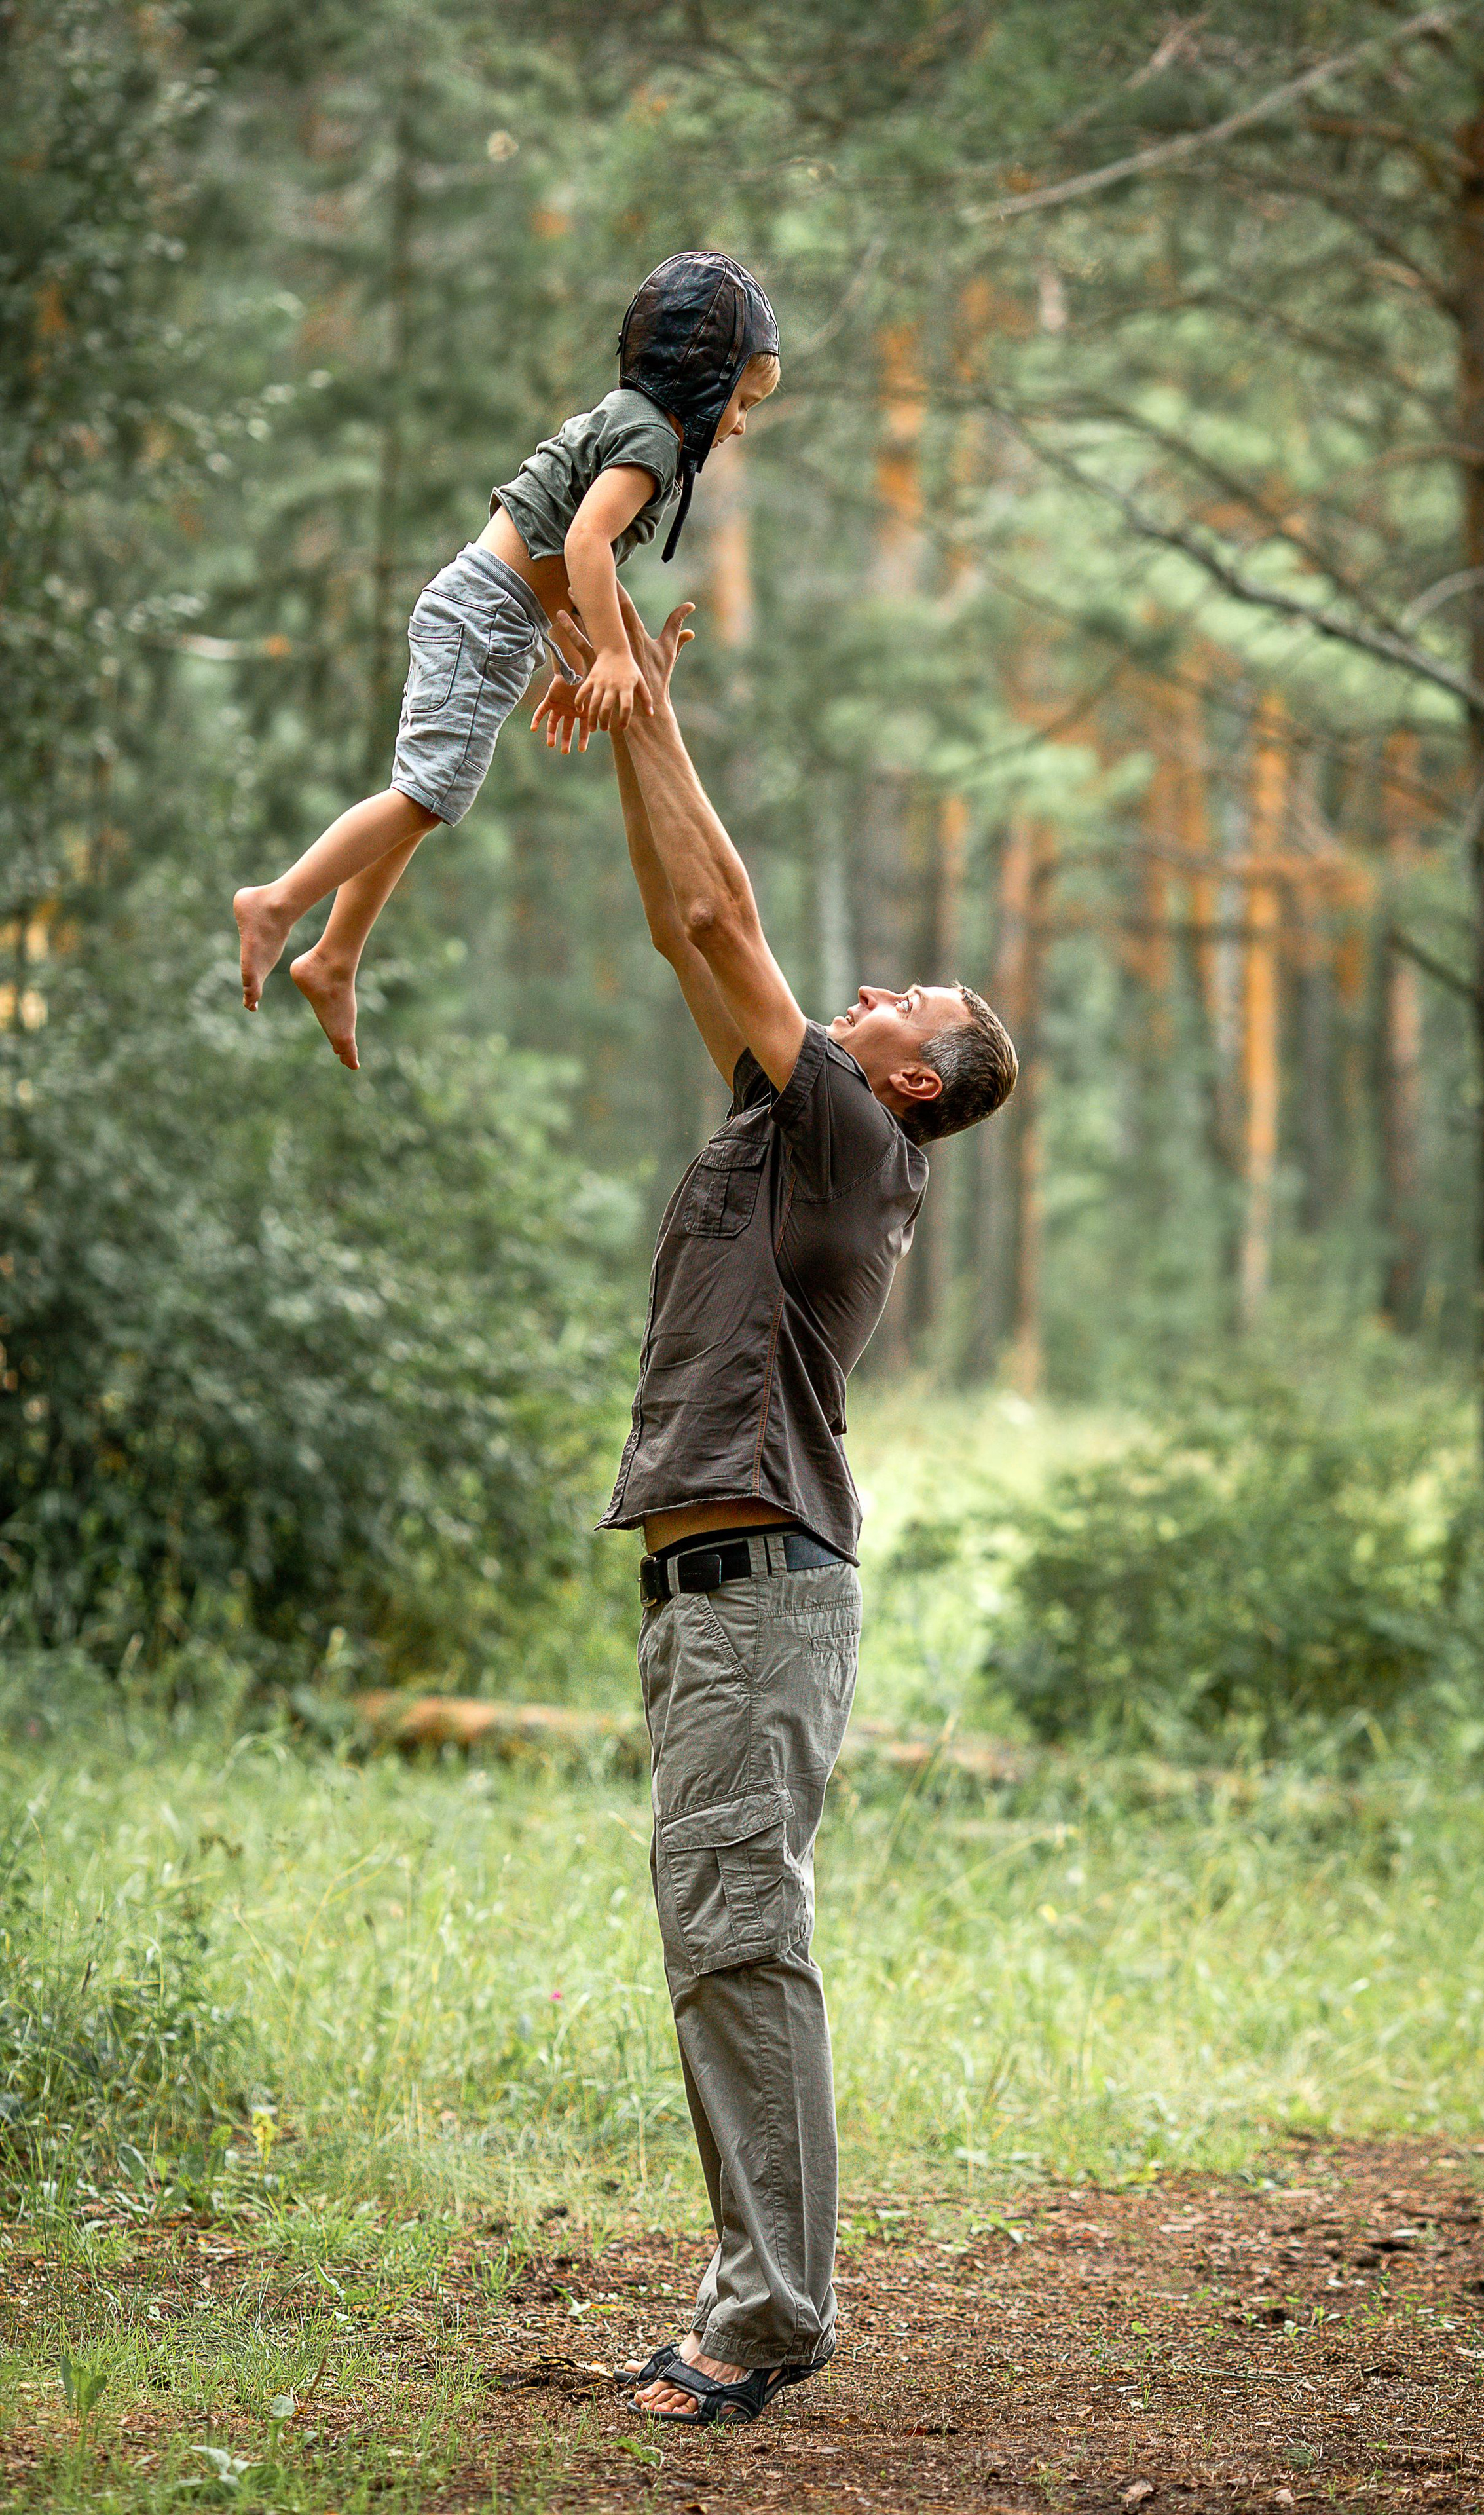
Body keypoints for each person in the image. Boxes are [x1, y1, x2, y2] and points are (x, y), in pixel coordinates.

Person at [561, 589, 1018, 2428]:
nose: (873, 980)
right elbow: (690, 918)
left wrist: (650, 702)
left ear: (916, 1078)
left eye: (903, 994)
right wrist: (635, 708)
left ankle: (769, 2326)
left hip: (761, 1590)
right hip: (707, 1599)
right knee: (716, 1937)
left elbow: (730, 916)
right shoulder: (781, 1123)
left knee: (744, 1941)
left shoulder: (864, 1139)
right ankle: (761, 2299)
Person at [232, 251, 779, 1070]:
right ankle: (278, 902)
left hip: (503, 615)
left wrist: (576, 664)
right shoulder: (650, 445)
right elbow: (586, 543)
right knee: (423, 794)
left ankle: (336, 956)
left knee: (430, 791)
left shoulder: (628, 420)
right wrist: (617, 665)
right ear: (704, 381)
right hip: (486, 611)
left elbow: (558, 553)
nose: (738, 424)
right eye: (740, 401)